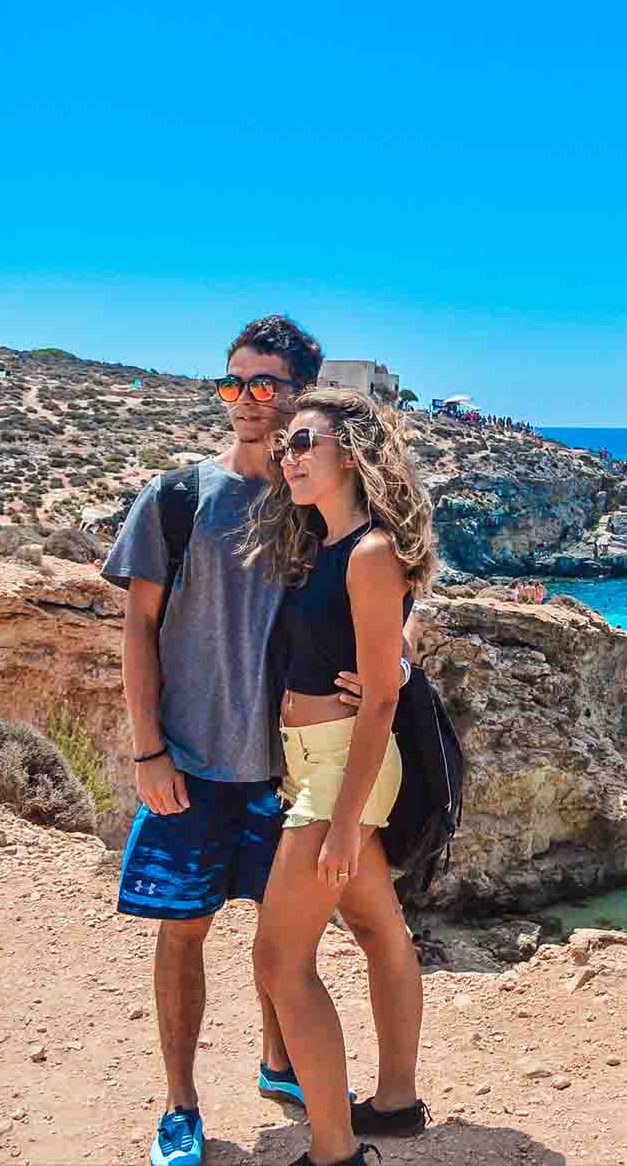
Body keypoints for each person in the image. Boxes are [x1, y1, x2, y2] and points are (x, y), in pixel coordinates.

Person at [103, 314, 321, 1166]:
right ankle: (180, 1105)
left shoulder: (318, 503)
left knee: (285, 936)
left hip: (287, 770)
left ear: (300, 392)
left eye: (264, 384)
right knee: (182, 931)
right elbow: (138, 632)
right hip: (189, 765)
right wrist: (147, 750)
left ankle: (280, 1064)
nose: (245, 401)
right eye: (233, 383)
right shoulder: (176, 498)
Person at [242, 389, 439, 1166]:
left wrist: (349, 819)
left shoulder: (367, 550)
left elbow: (384, 695)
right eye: (283, 446)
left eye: (303, 443)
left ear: (350, 455)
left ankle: (335, 1152)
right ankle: (395, 1103)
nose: (286, 456)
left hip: (343, 772)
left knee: (278, 961)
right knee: (376, 927)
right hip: (314, 767)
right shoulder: (323, 545)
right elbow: (392, 637)